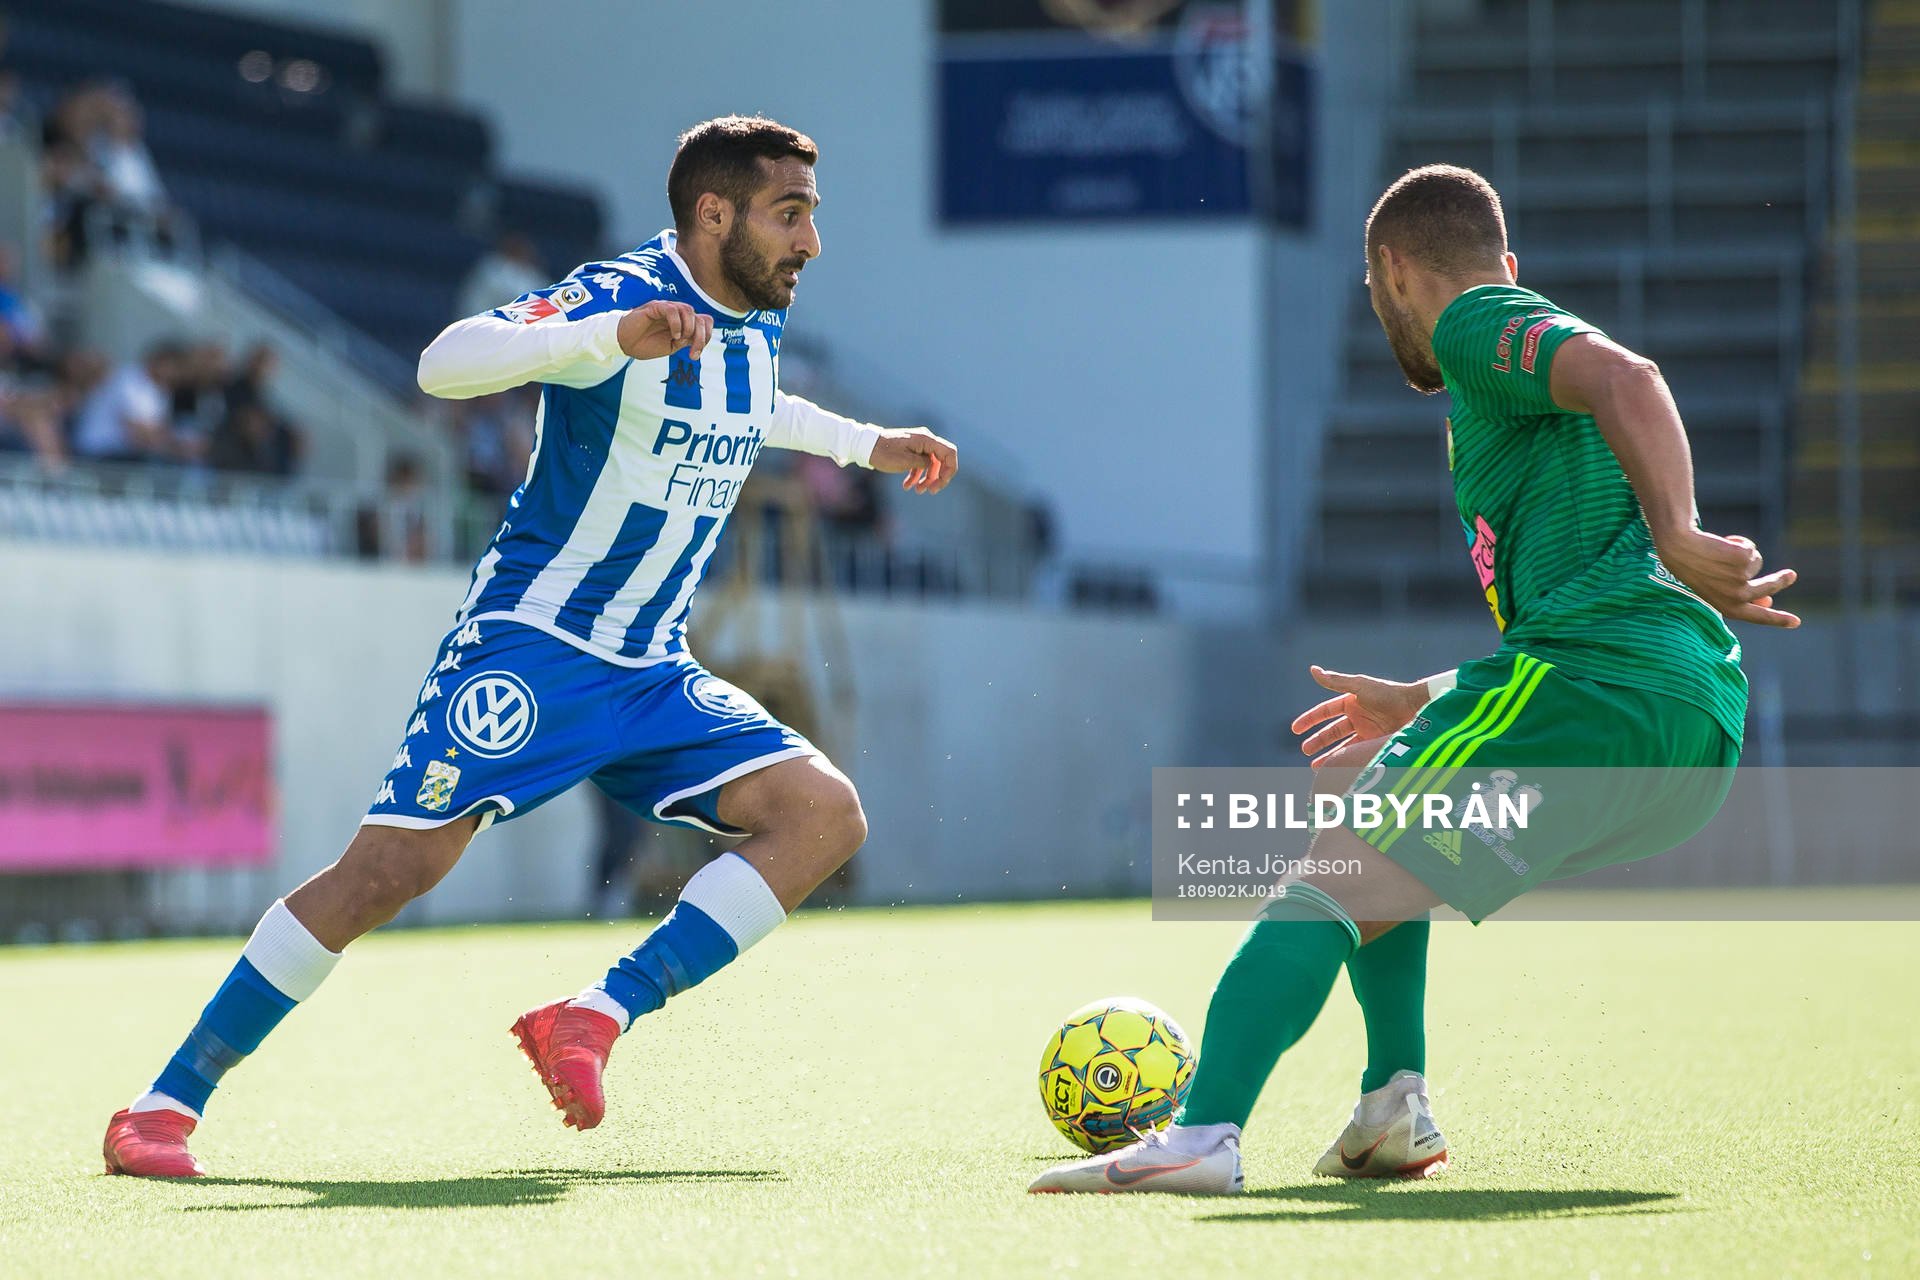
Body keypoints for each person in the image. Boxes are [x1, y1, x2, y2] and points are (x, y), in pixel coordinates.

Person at [103, 115, 960, 1177]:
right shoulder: (620, 292)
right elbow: (443, 363)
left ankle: (592, 1016)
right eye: (792, 216)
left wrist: (866, 444)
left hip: (652, 668)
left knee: (821, 813)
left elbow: (750, 408)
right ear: (714, 213)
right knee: (389, 869)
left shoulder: (754, 315)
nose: (810, 243)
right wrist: (604, 339)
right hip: (536, 644)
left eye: (810, 218)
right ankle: (161, 1104)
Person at [1031, 164, 1799, 1195]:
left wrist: (1680, 527)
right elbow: (1584, 587)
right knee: (1352, 779)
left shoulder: (1477, 321)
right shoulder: (1513, 372)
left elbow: (1632, 377)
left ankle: (1202, 1131)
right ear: (1507, 259)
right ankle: (1391, 1103)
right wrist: (1429, 695)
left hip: (1603, 688)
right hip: (1686, 730)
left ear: (1390, 269)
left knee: (1335, 869)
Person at [70, 339, 195, 463]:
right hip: (98, 452)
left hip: (126, 455)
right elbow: (138, 434)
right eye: (174, 367)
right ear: (159, 361)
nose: (176, 374)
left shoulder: (161, 391)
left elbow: (157, 431)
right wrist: (179, 447)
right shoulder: (127, 379)